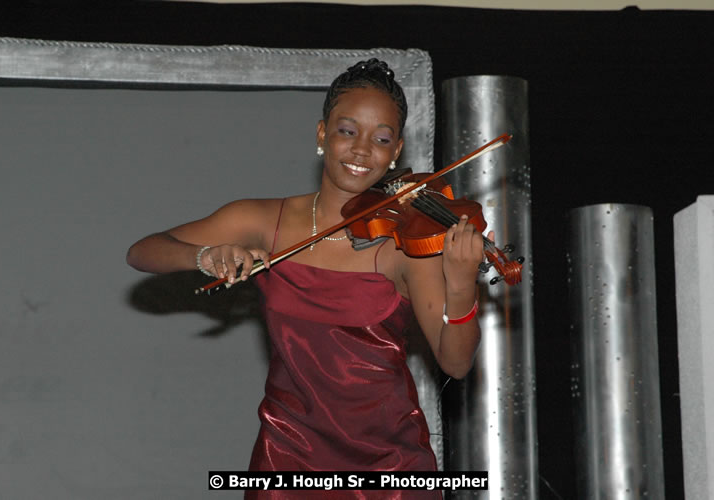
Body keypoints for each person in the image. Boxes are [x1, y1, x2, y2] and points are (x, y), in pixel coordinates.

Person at [127, 59, 487, 498]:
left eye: (382, 139)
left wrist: (462, 285)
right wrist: (204, 256)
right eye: (347, 131)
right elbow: (143, 252)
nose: (361, 150)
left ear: (396, 153)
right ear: (322, 135)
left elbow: (455, 362)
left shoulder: (405, 243)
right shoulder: (263, 219)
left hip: (390, 469)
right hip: (287, 458)